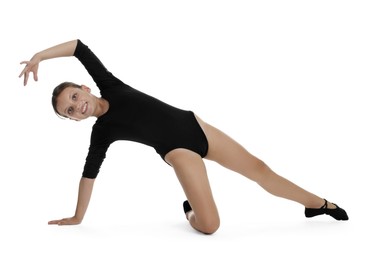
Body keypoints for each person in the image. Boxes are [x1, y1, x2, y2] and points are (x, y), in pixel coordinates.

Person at [19, 39, 348, 234]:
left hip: (197, 127)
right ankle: (191, 210)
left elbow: (78, 46)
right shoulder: (102, 132)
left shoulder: (110, 85)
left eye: (74, 98)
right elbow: (89, 175)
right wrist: (78, 217)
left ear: (83, 87)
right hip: (179, 152)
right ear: (74, 120)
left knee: (260, 169)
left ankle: (319, 205)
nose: (77, 107)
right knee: (210, 227)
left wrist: (38, 57)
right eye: (70, 112)